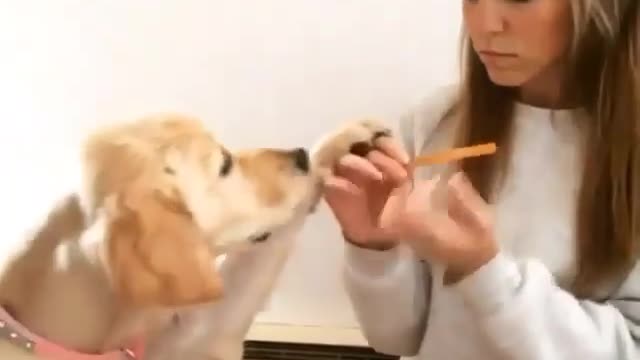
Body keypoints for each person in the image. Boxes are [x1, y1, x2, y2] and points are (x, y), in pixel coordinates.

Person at [323, 0, 640, 359]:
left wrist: (486, 274)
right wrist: (375, 248)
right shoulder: (435, 123)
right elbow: (398, 339)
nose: (485, 24)